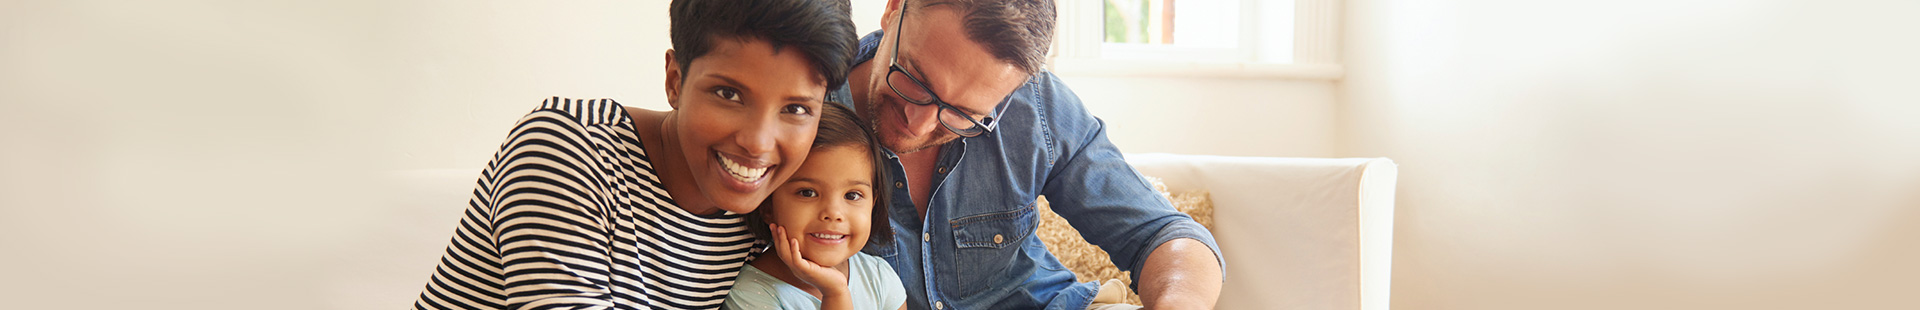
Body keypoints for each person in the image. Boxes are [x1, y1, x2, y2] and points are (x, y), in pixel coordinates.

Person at [410, 0, 856, 309]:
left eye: (796, 109)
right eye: (729, 94)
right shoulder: (569, 147)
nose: (759, 143)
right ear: (675, 80)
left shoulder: (772, 212)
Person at [826, 0, 1226, 309]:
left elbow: (1163, 233)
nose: (919, 122)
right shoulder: (806, 108)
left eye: (962, 114)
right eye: (914, 76)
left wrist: (1179, 300)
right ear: (894, 8)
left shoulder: (1034, 106)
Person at [724, 103, 908, 310]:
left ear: (872, 205)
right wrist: (835, 293)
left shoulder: (880, 278)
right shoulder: (750, 294)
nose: (833, 213)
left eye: (852, 195)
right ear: (767, 205)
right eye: (808, 193)